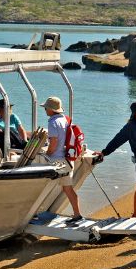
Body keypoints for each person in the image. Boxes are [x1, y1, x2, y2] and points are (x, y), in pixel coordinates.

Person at [42, 96, 83, 224]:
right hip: (67, 159)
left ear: (50, 109)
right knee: (68, 188)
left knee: (41, 185)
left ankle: (35, 212)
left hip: (56, 162)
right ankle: (77, 214)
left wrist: (47, 155)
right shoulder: (65, 120)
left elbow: (53, 143)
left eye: (46, 108)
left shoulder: (52, 122)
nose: (45, 110)